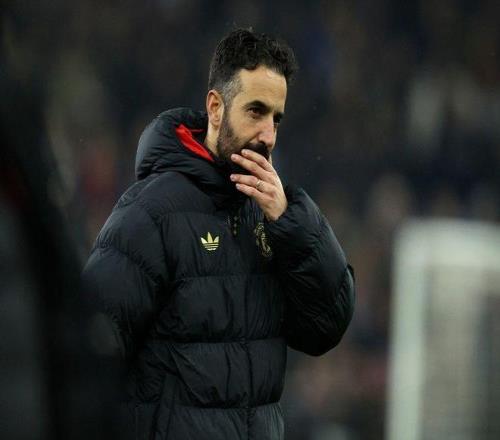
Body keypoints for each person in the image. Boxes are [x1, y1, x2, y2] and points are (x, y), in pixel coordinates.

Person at [82, 28, 355, 440]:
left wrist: (293, 223)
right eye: (256, 111)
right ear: (215, 107)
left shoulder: (275, 219)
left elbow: (326, 327)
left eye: (276, 118)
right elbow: (87, 352)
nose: (268, 135)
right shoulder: (152, 213)